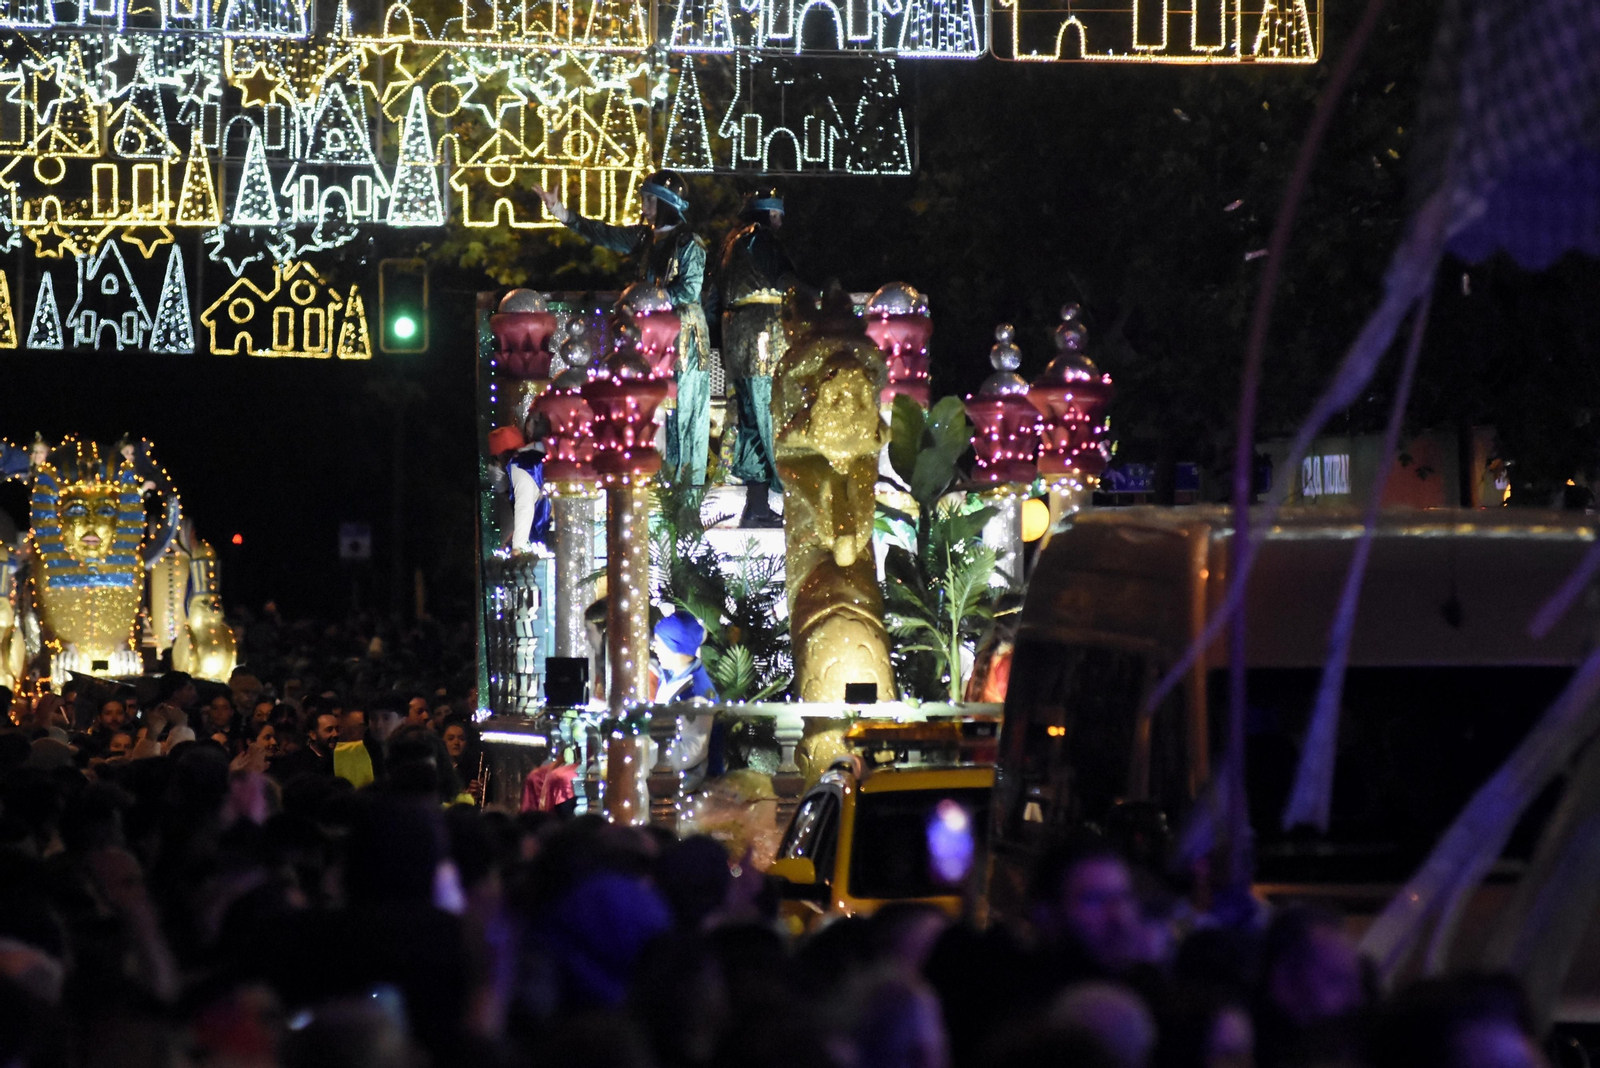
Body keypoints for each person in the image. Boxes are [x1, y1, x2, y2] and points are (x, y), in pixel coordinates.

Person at [533, 171, 712, 486]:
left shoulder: (688, 242)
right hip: (646, 336)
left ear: (667, 203)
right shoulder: (645, 238)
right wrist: (562, 213)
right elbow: (605, 234)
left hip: (682, 337)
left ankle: (685, 492)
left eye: (649, 200)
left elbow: (690, 289)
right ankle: (655, 487)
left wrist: (651, 298)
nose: (643, 206)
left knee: (681, 410)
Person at [718, 187, 804, 526]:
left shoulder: (730, 242)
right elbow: (783, 277)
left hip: (736, 334)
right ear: (769, 214)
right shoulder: (757, 236)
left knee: (752, 421)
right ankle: (796, 501)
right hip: (763, 336)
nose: (781, 221)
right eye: (779, 214)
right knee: (773, 414)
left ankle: (756, 507)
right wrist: (820, 296)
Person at [652, 613, 717, 703]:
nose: (655, 649)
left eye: (658, 642)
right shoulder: (668, 674)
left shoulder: (696, 696)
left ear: (675, 646)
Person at [270, 710, 339, 782]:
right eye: (329, 730)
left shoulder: (339, 758)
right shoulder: (296, 762)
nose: (336, 734)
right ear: (313, 735)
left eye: (337, 729)